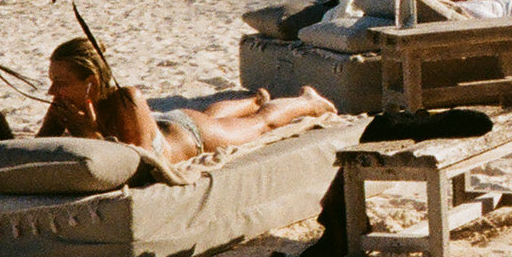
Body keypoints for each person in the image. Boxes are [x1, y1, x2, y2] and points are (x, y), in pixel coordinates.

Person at [38, 38, 332, 166]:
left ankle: (308, 101)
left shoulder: (128, 99)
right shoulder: (64, 107)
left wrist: (88, 132)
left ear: (91, 80)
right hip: (169, 121)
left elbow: (142, 163)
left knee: (260, 123)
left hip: (191, 134)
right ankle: (255, 98)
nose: (52, 91)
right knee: (213, 115)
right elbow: (33, 150)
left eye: (61, 83)